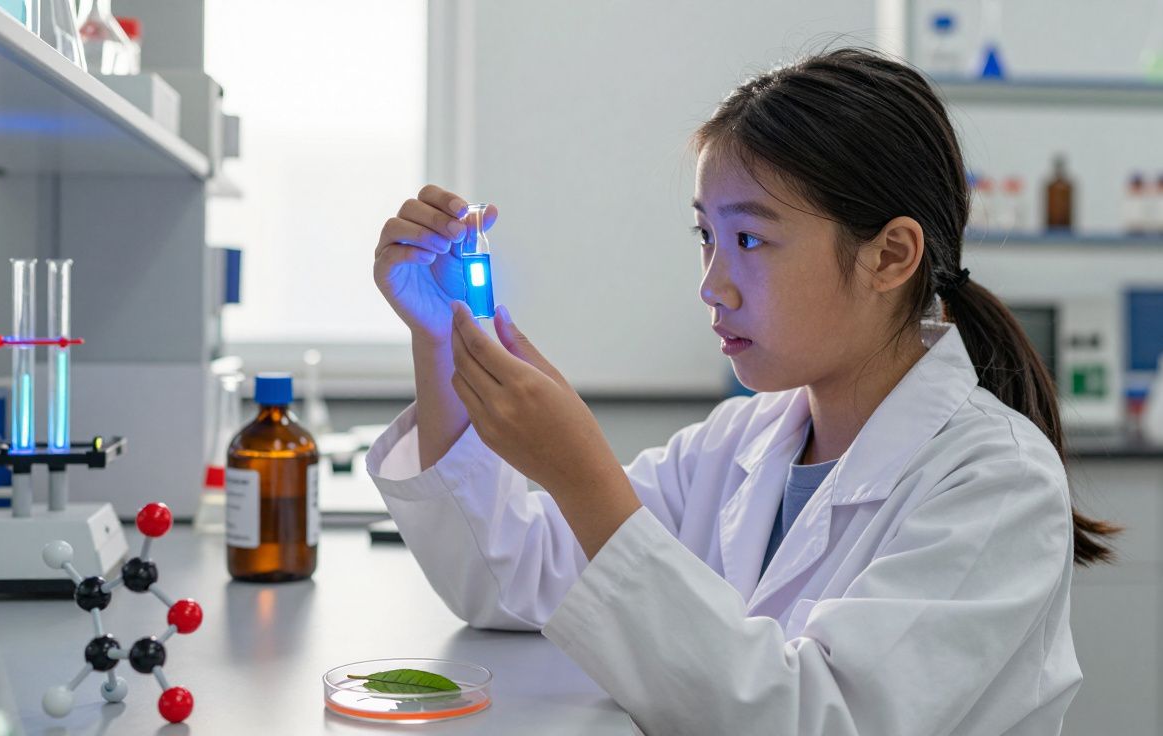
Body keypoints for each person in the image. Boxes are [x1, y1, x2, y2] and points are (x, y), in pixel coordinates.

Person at [365, 47, 1118, 735]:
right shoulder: (740, 443)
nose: (712, 285)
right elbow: (507, 582)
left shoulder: (997, 483)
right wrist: (441, 337)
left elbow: (813, 719)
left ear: (891, 255)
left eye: (749, 239)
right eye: (707, 237)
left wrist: (583, 477)